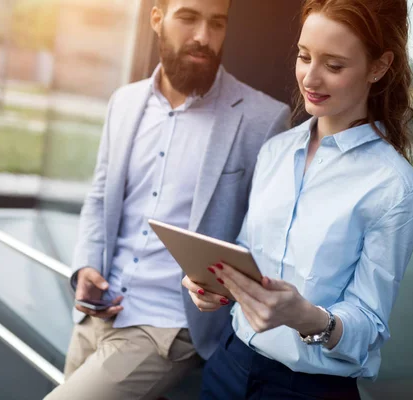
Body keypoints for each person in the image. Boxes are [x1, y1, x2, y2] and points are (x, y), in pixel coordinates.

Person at [182, 0, 413, 398]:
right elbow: (247, 256)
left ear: (379, 67)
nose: (310, 79)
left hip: (307, 390)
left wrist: (306, 317)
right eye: (304, 57)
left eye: (334, 66)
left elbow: (368, 326)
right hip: (228, 366)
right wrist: (216, 283)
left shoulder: (397, 190)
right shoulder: (275, 151)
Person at [44, 0, 291, 399]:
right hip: (100, 310)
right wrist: (86, 265)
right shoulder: (124, 102)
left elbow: (266, 239)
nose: (203, 37)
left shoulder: (264, 120)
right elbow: (100, 196)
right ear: (157, 19)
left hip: (171, 326)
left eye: (217, 24)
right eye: (189, 18)